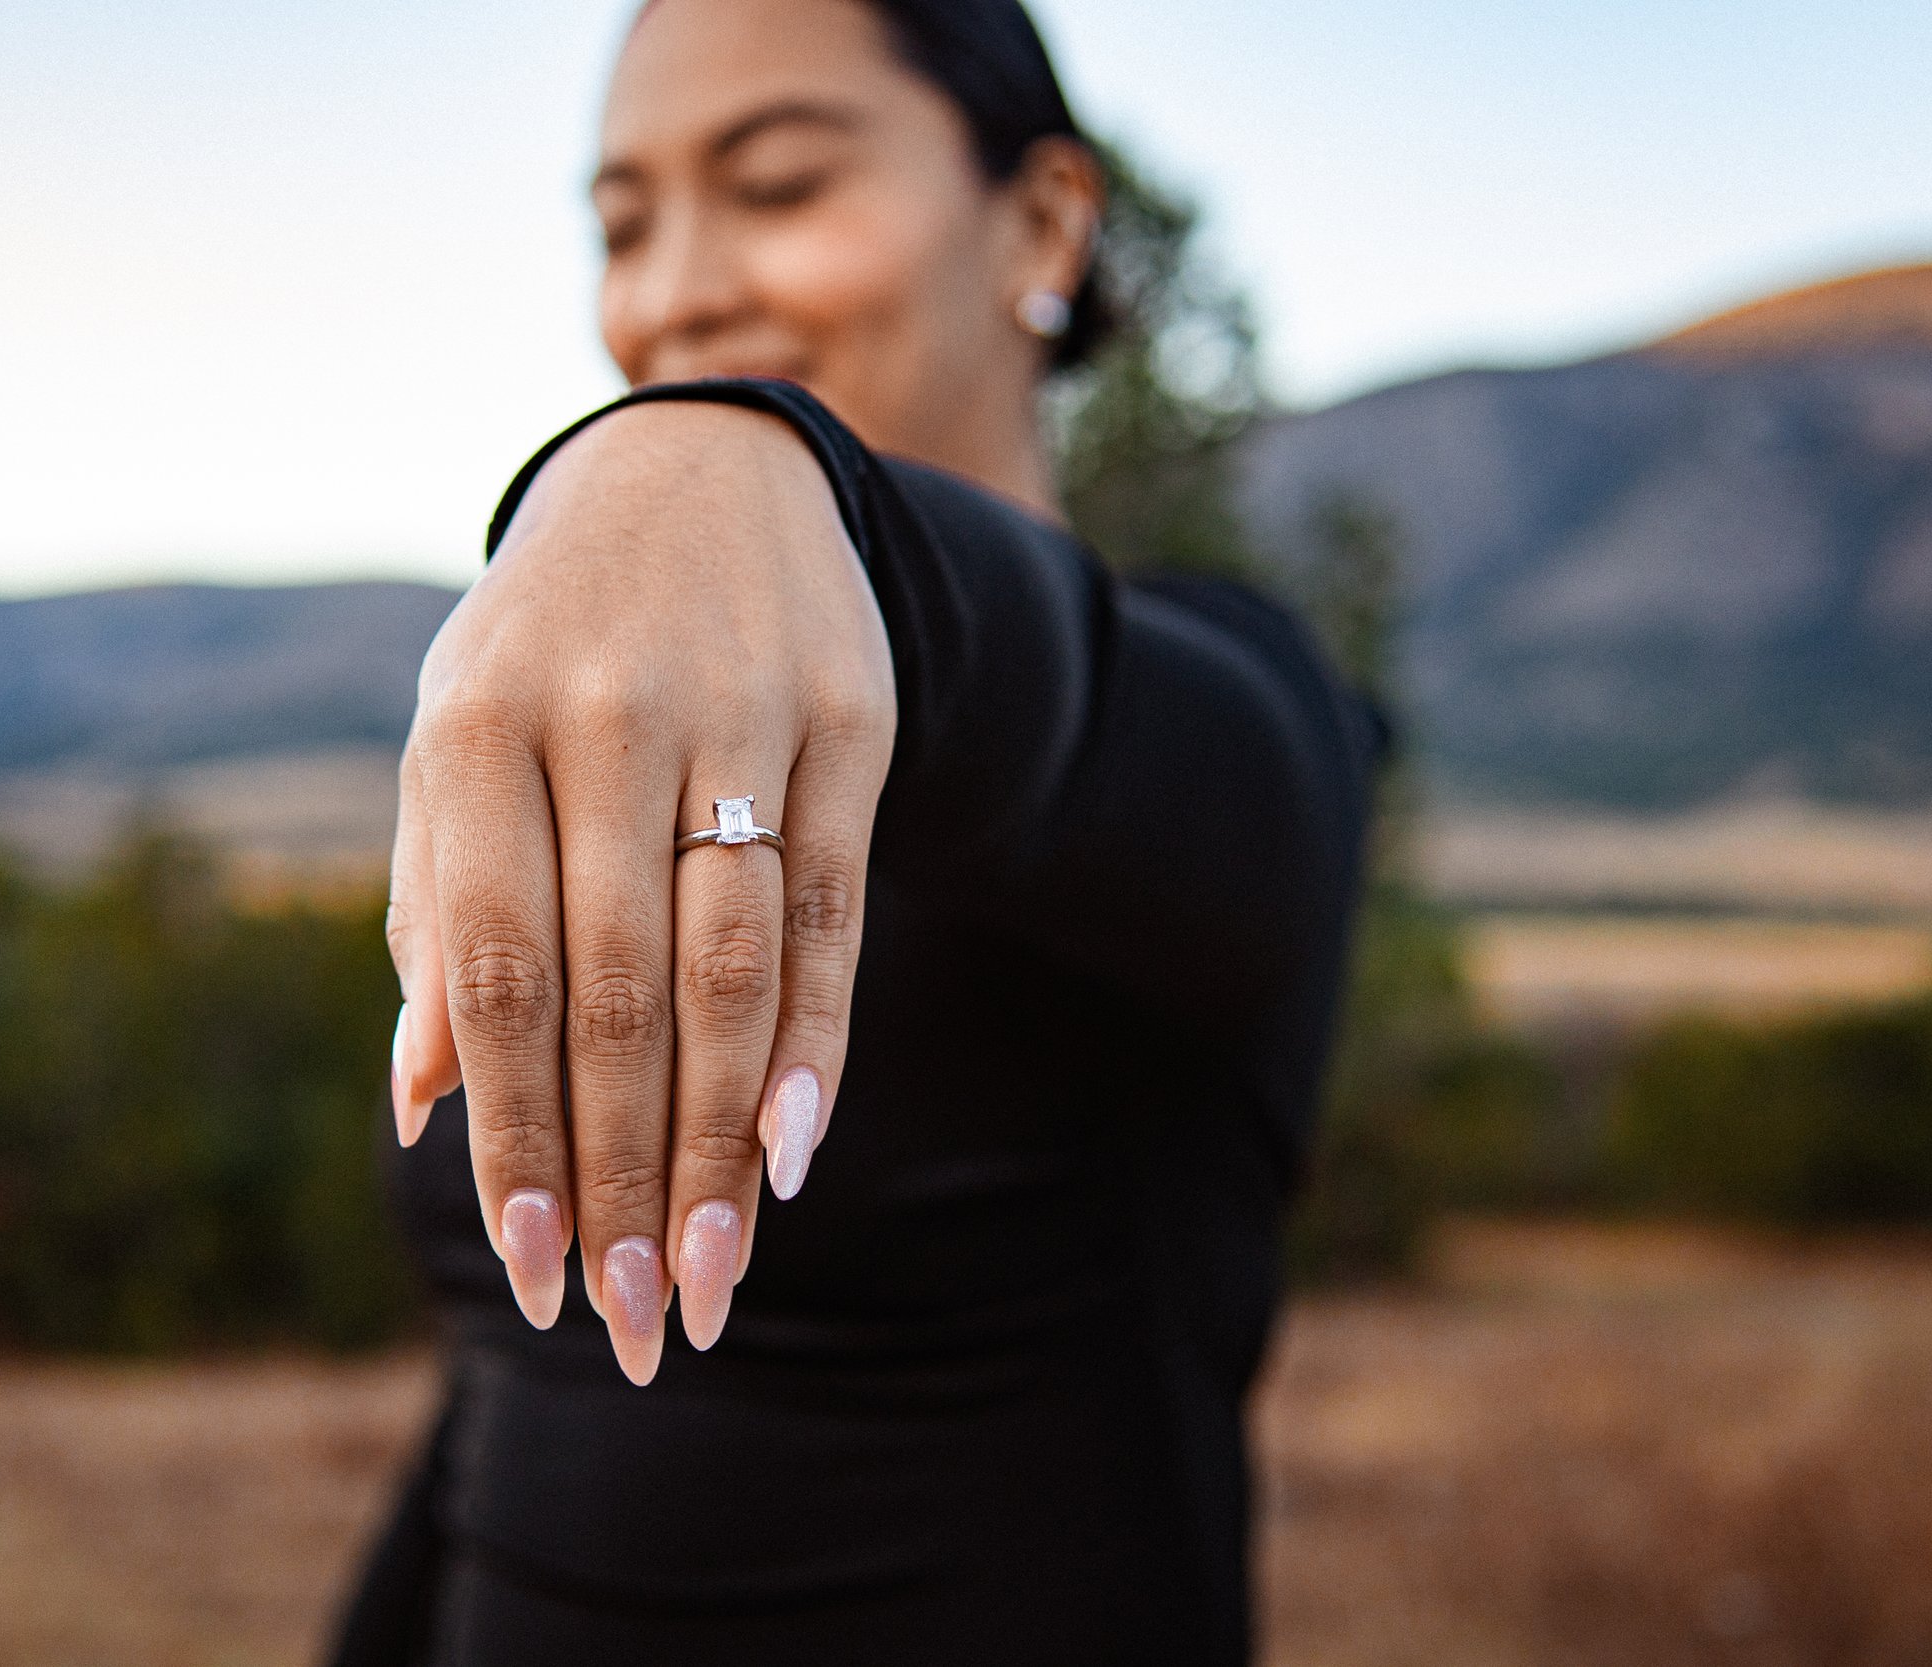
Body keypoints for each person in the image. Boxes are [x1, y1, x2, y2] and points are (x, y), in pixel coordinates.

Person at [333, 1, 1378, 1661]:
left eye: (778, 186)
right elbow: (516, 1412)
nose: (673, 290)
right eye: (623, 224)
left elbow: (1049, 683)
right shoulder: (635, 787)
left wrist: (747, 468)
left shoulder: (1233, 729)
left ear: (1040, 222)